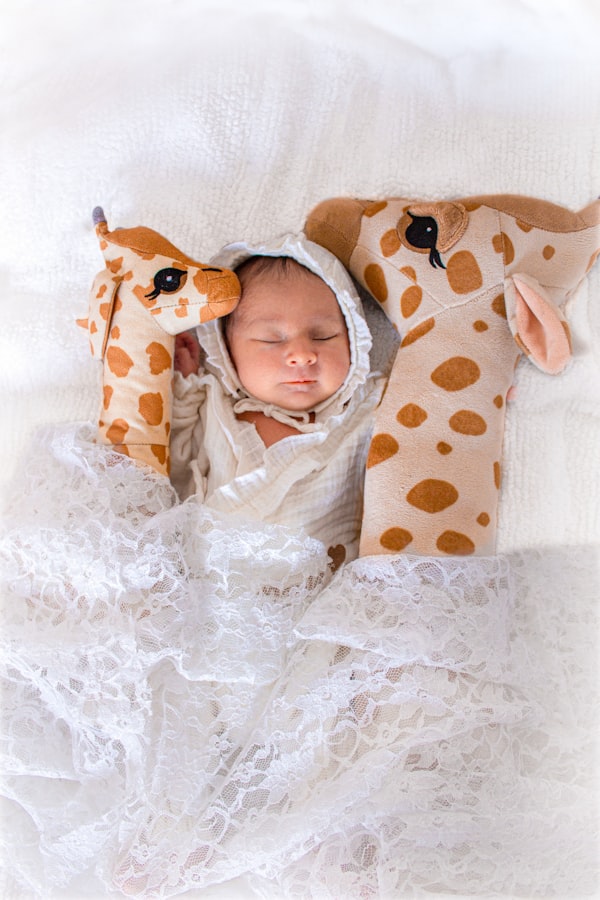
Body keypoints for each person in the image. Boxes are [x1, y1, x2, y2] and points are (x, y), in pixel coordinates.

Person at [170, 232, 386, 564]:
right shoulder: (212, 404)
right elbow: (175, 464)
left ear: (354, 340)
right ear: (227, 352)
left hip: (317, 589)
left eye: (324, 335)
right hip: (213, 573)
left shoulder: (367, 410)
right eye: (271, 340)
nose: (302, 355)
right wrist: (181, 385)